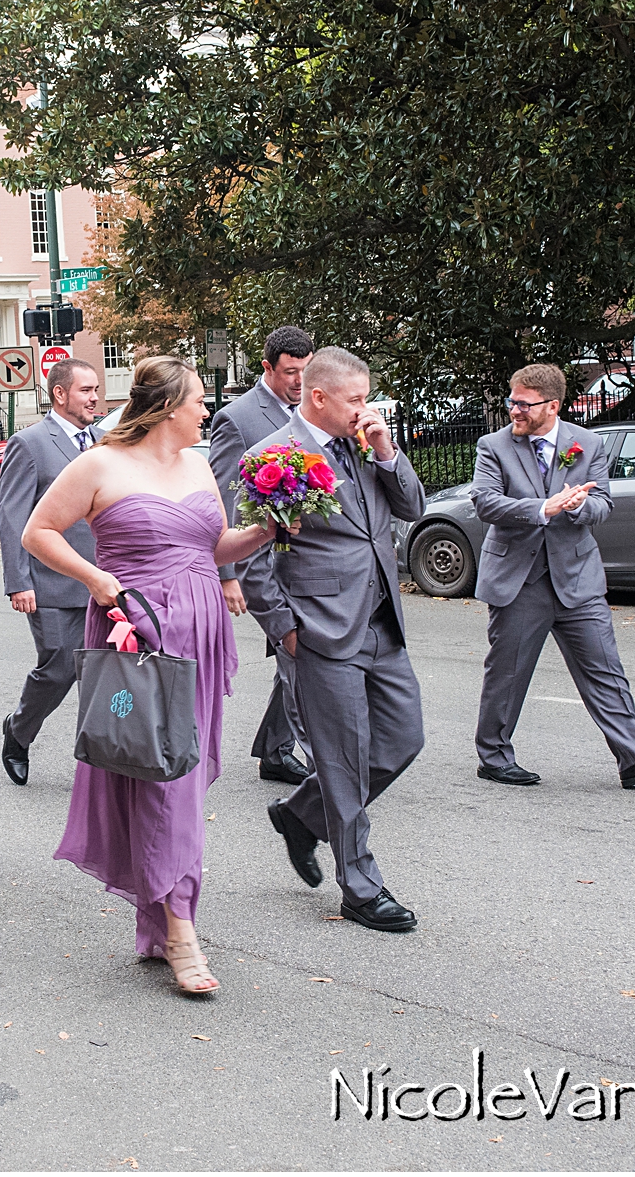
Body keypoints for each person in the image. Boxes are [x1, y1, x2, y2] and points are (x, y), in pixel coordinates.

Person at [24, 357, 278, 993]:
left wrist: (265, 532)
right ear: (167, 406)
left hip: (201, 633)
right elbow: (38, 532)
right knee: (159, 776)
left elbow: (213, 547)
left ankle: (161, 919)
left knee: (180, 775)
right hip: (134, 630)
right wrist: (95, 577)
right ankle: (181, 927)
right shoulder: (100, 464)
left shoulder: (197, 465)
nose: (208, 412)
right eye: (199, 401)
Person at [244, 347, 427, 933]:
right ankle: (362, 887)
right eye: (354, 400)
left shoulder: (363, 445)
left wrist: (385, 451)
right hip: (320, 629)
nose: (364, 409)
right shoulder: (272, 458)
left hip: (381, 620)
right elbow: (254, 556)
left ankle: (300, 814)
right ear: (317, 397)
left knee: (402, 740)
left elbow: (413, 507)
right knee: (344, 762)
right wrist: (285, 629)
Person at [468, 363, 635, 789]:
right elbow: (486, 503)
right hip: (520, 580)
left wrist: (577, 507)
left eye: (523, 404)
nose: (514, 410)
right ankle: (493, 756)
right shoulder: (493, 446)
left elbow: (602, 503)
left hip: (577, 578)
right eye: (512, 401)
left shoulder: (586, 443)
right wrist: (541, 508)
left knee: (605, 669)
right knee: (508, 674)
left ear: (553, 406)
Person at [208, 325, 317, 784]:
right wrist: (227, 573)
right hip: (260, 561)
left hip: (307, 559)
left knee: (296, 651)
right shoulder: (237, 419)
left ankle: (274, 749)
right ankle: (323, 762)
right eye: (291, 372)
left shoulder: (313, 409)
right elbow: (222, 498)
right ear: (267, 367)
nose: (300, 381)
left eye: (306, 372)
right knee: (301, 652)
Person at [0, 358, 106, 785]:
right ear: (60, 394)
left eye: (96, 389)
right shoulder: (30, 443)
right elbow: (11, 516)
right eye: (86, 390)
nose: (94, 397)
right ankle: (18, 731)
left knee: (99, 670)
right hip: (51, 582)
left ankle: (99, 757)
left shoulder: (103, 441)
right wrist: (18, 582)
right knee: (59, 667)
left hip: (103, 580)